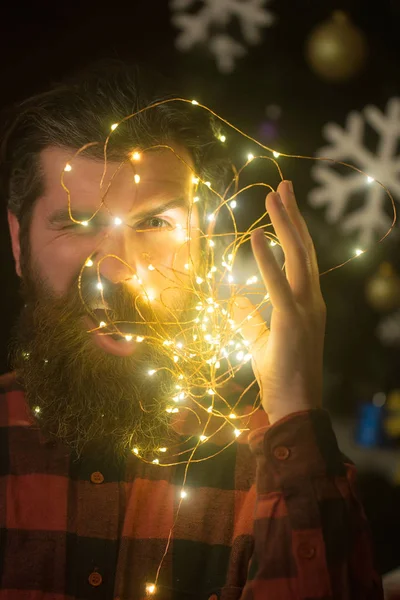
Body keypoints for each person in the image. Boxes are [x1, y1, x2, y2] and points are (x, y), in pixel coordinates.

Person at [0, 61, 383, 600]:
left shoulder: (273, 463)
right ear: (19, 244)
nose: (115, 269)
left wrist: (296, 410)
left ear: (204, 244)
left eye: (155, 223)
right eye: (77, 224)